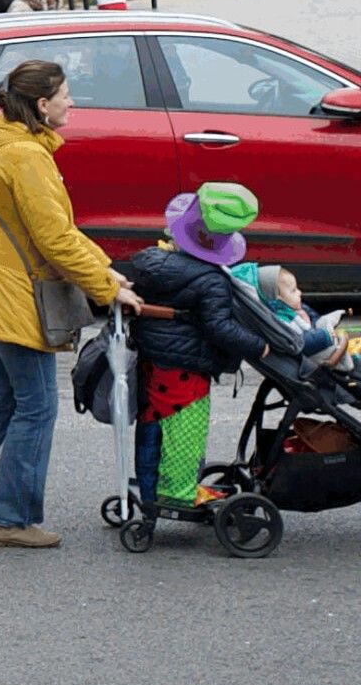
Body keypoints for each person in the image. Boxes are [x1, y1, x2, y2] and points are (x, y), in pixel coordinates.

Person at [0, 60, 138, 549]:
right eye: (66, 95)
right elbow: (54, 238)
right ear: (42, 104)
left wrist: (105, 270)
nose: (72, 102)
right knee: (35, 406)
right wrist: (105, 286)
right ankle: (12, 519)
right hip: (12, 295)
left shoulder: (1, 147)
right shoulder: (27, 157)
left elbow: (45, 233)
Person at [121, 186, 316, 514]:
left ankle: (151, 485)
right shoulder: (211, 281)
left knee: (153, 421)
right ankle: (179, 492)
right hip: (187, 365)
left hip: (154, 360)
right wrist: (259, 346)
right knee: (186, 427)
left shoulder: (154, 262)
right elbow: (219, 328)